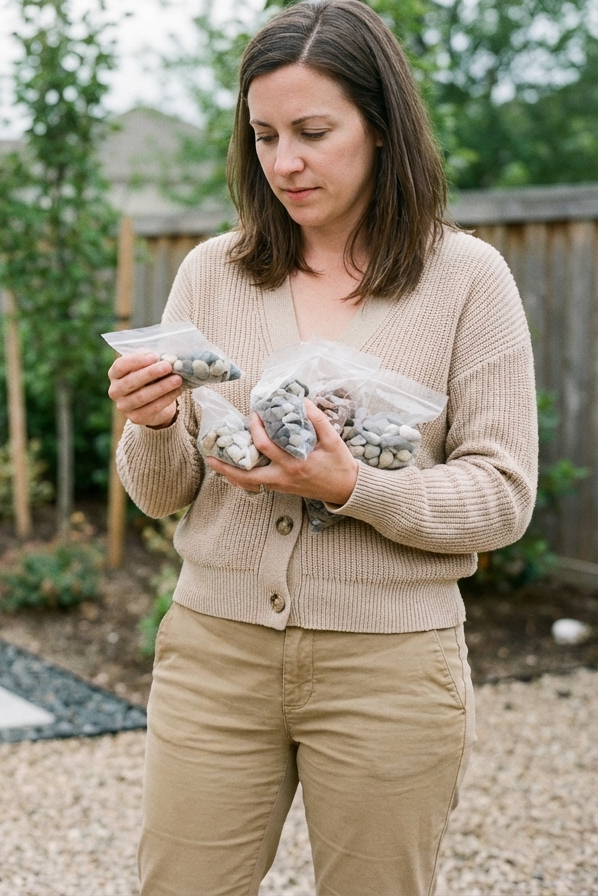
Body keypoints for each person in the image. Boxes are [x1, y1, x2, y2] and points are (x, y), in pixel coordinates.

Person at [106, 1, 538, 893]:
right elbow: (161, 493)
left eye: (313, 131)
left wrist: (355, 486)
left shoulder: (467, 280)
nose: (284, 163)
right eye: (263, 135)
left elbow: (502, 497)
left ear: (381, 129)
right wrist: (152, 425)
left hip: (389, 667)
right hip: (215, 651)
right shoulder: (213, 271)